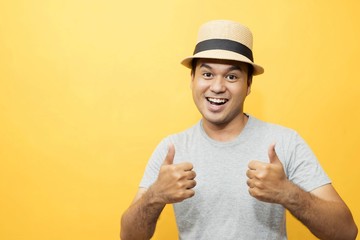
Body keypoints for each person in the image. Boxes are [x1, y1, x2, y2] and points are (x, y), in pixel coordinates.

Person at [120, 20, 358, 240]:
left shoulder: (284, 142)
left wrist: (288, 193)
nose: (217, 86)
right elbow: (129, 236)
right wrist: (155, 195)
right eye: (207, 74)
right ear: (192, 79)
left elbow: (346, 232)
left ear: (248, 86)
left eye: (232, 76)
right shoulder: (171, 149)